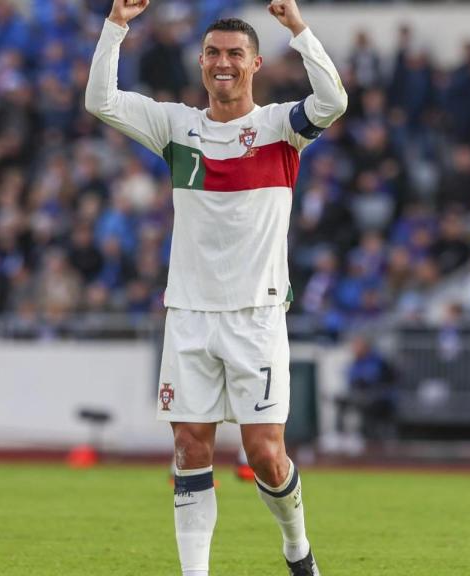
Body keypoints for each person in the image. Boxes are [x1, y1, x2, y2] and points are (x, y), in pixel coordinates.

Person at [85, 1, 346, 574]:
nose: (222, 63)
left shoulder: (280, 128)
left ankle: (297, 550)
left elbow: (333, 101)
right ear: (200, 62)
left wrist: (298, 29)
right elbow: (100, 101)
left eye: (234, 54)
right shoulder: (178, 127)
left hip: (257, 315)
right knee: (190, 448)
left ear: (254, 63)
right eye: (212, 53)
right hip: (189, 314)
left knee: (266, 456)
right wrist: (116, 26)